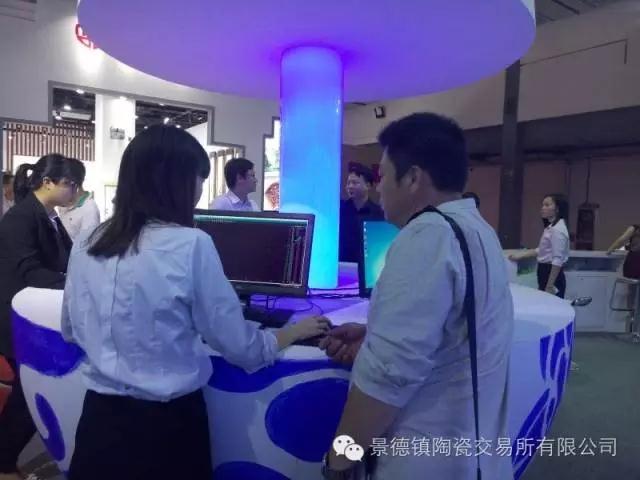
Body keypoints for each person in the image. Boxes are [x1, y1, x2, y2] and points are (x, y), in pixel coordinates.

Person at [61, 126, 329, 480]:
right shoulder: (191, 244)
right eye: (199, 178)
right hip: (166, 430)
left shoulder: (86, 242)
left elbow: (70, 329)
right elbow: (241, 347)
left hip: (98, 424)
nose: (201, 189)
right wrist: (290, 333)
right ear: (177, 182)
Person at [320, 113, 514, 479]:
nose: (378, 188)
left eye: (382, 176)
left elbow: (388, 375)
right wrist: (374, 334)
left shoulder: (426, 236)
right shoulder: (477, 228)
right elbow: (458, 331)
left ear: (412, 178)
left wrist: (339, 461)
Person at [0, 155, 76, 480]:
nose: (75, 191)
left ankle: (5, 460)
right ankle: (4, 463)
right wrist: (75, 282)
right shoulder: (20, 218)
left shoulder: (49, 215)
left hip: (35, 316)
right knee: (28, 395)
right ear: (47, 182)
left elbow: (68, 257)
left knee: (29, 393)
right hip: (16, 319)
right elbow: (29, 270)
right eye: (70, 184)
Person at [509, 194, 570, 298]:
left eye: (547, 205)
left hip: (551, 274)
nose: (543, 208)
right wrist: (520, 255)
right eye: (543, 205)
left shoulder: (558, 229)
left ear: (557, 209)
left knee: (551, 305)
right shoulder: (551, 227)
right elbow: (541, 250)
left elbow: (557, 259)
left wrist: (549, 286)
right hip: (544, 271)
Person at [339, 163, 384, 263]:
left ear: (368, 185)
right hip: (343, 265)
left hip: (368, 265)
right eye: (348, 183)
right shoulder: (340, 210)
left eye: (355, 183)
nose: (350, 186)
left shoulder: (379, 213)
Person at [58, 158, 100, 241]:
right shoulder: (63, 204)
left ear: (73, 184)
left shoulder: (89, 210)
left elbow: (86, 245)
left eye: (62, 184)